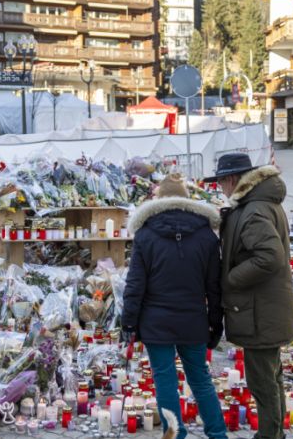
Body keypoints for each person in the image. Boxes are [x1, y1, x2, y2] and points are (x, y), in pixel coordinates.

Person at [121, 173, 227, 439]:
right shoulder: (206, 235)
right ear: (187, 200)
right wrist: (216, 323)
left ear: (159, 200)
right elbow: (214, 287)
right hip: (193, 320)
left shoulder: (145, 234)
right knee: (201, 380)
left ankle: (176, 434)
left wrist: (129, 323)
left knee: (165, 381)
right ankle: (217, 434)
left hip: (156, 322)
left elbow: (135, 285)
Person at [204, 153, 293, 439]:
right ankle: (274, 432)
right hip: (264, 308)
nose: (221, 188)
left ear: (232, 180)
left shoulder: (254, 210)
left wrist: (230, 279)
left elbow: (270, 257)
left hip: (261, 312)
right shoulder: (255, 205)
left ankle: (270, 435)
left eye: (221, 182)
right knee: (270, 376)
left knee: (262, 380)